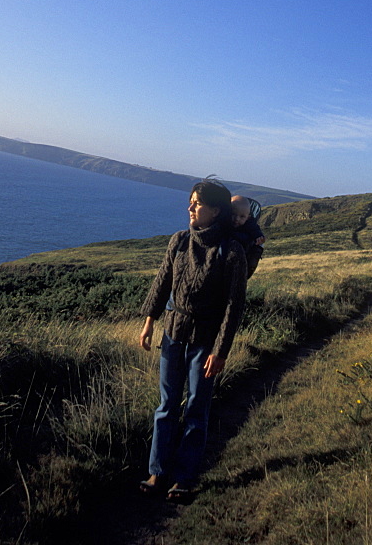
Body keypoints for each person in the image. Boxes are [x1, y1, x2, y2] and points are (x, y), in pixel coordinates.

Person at [139, 179, 247, 502]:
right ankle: (157, 472)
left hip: (206, 341)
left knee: (197, 409)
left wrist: (221, 351)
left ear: (215, 211)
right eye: (191, 202)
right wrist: (148, 323)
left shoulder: (232, 252)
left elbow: (234, 306)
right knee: (167, 405)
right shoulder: (179, 241)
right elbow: (161, 285)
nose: (190, 208)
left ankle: (184, 478)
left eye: (197, 204)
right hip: (173, 333)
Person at [231, 195, 265, 278]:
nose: (237, 219)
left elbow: (255, 230)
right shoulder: (223, 224)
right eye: (233, 214)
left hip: (243, 252)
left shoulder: (249, 225)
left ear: (248, 218)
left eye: (242, 216)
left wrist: (259, 237)